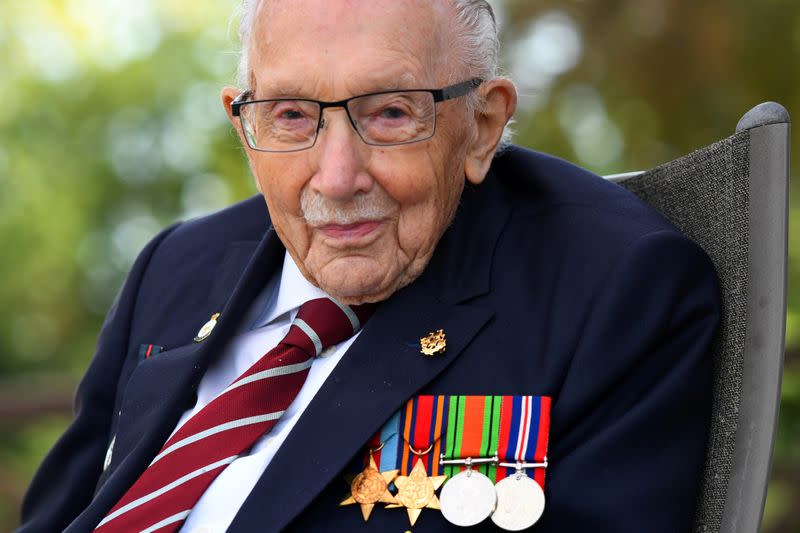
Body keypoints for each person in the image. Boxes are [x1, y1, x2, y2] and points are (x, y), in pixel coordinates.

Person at [17, 1, 720, 532]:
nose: (337, 175)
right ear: (244, 126)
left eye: (389, 112)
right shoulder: (175, 266)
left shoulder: (614, 289)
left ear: (483, 124)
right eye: (292, 115)